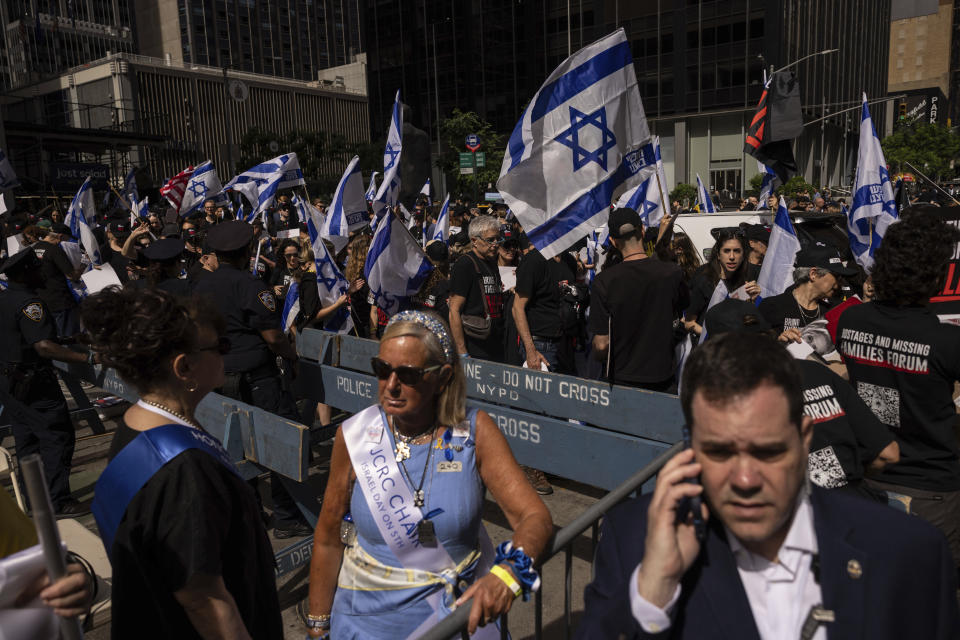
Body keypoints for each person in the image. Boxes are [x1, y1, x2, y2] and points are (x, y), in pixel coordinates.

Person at [577, 332, 959, 640]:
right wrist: (653, 595)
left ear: (803, 439)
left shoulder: (908, 553)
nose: (745, 480)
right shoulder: (635, 538)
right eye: (720, 452)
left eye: (769, 451)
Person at [305, 311, 552, 638]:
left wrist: (508, 574)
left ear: (443, 377)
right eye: (382, 370)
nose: (391, 386)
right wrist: (318, 626)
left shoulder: (475, 432)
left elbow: (535, 517)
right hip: (365, 624)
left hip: (453, 622)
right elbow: (327, 537)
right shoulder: (357, 435)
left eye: (407, 375)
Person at [81, 287, 283, 639]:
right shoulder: (184, 470)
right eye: (219, 347)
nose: (226, 352)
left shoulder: (136, 423)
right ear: (185, 367)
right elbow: (203, 598)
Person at [834, 207, 960, 572]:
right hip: (930, 489)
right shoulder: (945, 341)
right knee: (929, 603)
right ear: (936, 275)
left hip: (870, 478)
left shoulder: (851, 319)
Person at [704, 299, 900, 500]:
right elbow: (889, 453)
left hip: (802, 514)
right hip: (857, 505)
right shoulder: (817, 372)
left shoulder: (734, 396)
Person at [192, 220, 311, 538]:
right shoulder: (250, 285)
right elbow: (273, 336)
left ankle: (252, 511)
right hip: (258, 379)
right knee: (280, 443)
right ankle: (287, 516)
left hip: (220, 377)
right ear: (246, 252)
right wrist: (291, 356)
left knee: (236, 448)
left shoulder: (202, 285)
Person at [0, 249, 94, 515]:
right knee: (56, 437)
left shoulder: (5, 299)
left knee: (27, 441)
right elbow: (42, 346)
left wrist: (67, 340)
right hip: (35, 385)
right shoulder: (32, 304)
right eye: (37, 269)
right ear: (26, 273)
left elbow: (21, 339)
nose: (43, 273)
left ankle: (34, 500)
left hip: (11, 384)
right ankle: (57, 501)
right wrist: (87, 358)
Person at [590, 208, 688, 391]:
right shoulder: (671, 272)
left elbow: (601, 345)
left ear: (612, 241)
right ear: (642, 231)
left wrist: (596, 355)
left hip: (622, 383)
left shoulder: (604, 281)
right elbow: (683, 312)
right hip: (663, 380)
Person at [758, 244, 856, 341]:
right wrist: (779, 342)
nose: (839, 283)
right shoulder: (772, 306)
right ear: (813, 274)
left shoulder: (833, 311)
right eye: (837, 276)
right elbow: (754, 347)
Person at [512, 235, 579, 375]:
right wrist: (531, 352)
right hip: (540, 346)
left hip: (565, 344)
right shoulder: (534, 260)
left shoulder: (570, 261)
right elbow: (517, 308)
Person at [449, 215, 506, 362]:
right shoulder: (465, 265)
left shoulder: (491, 262)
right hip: (474, 347)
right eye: (490, 240)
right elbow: (454, 310)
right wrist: (462, 351)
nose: (495, 244)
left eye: (498, 239)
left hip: (495, 344)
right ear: (474, 241)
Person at [684, 229, 758, 337]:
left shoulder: (749, 278)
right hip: (710, 348)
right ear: (718, 254)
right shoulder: (704, 280)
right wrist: (715, 336)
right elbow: (689, 323)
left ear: (743, 255)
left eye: (737, 251)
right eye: (726, 251)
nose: (732, 257)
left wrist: (756, 300)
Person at [31, 223, 82, 338]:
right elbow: (72, 276)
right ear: (60, 236)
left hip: (43, 301)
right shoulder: (54, 250)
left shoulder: (34, 249)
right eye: (65, 240)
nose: (63, 244)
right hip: (61, 301)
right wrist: (84, 264)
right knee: (70, 340)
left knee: (56, 339)